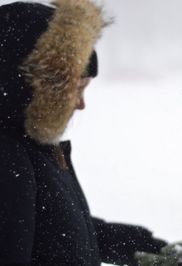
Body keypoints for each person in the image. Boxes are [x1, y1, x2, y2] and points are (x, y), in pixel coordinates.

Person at [0, 0, 168, 265]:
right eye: (75, 90)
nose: (81, 104)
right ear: (36, 86)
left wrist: (151, 251)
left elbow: (63, 233)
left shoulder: (34, 150)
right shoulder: (9, 160)